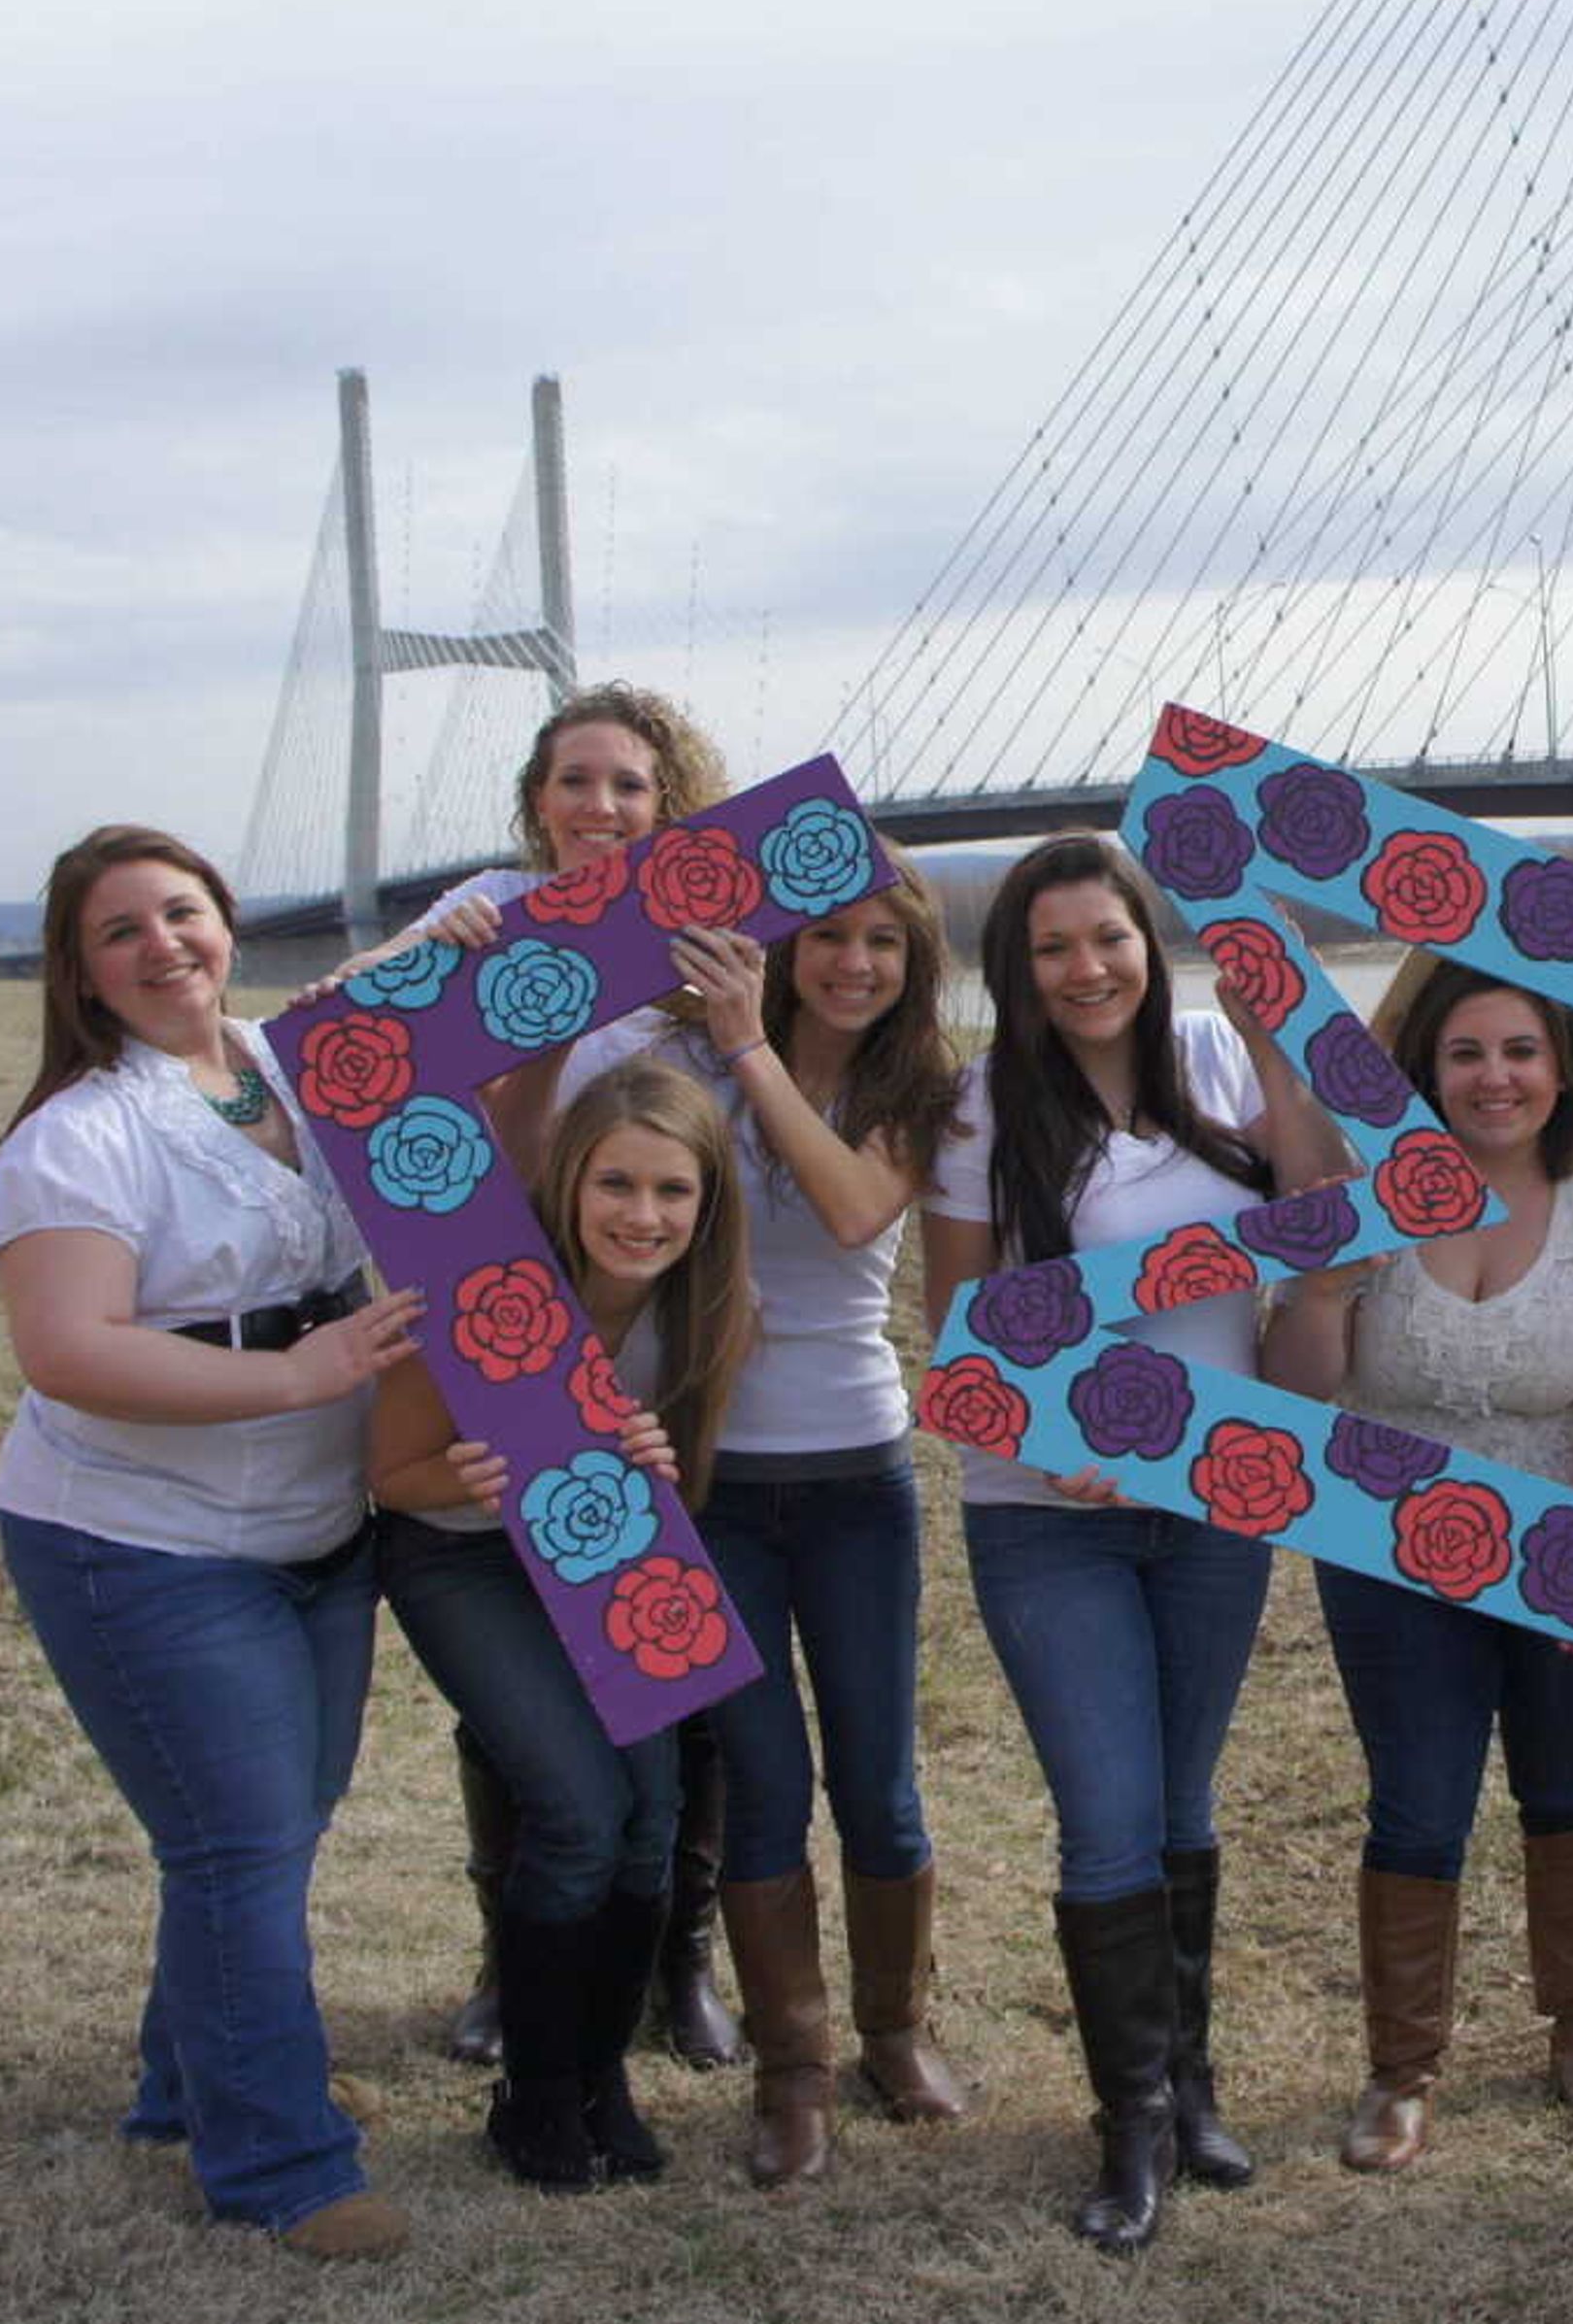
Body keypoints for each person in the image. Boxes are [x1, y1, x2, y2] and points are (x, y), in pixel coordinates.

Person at [0, 826, 423, 2261]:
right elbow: (69, 1352)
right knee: (235, 1843)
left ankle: (186, 2085)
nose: (163, 946)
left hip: (314, 1525)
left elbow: (409, 997)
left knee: (269, 1832)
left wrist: (452, 948)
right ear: (82, 973)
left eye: (183, 913)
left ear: (227, 922)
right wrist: (306, 1373)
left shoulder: (295, 1066)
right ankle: (284, 2166)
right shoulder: (77, 1139)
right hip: (141, 1540)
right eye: (123, 933)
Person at [920, 833, 1347, 2254]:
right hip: (1052, 1519)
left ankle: (1189, 2089)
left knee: (1180, 1806)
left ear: (1146, 941)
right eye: (1052, 948)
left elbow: (1317, 1215)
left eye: (1107, 938)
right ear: (1018, 970)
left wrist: (1283, 1036)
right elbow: (960, 1342)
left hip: (1216, 1505)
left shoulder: (1222, 1060)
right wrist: (1066, 1446)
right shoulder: (987, 1108)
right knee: (1108, 1814)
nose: (1086, 968)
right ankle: (1128, 2133)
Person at [329, 682, 748, 2076]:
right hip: (507, 1309)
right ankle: (514, 1972)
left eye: (630, 785)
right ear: (535, 798)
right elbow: (347, 1055)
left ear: (666, 804)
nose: (601, 809)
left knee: (662, 1678)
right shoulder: (490, 911)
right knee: (520, 1714)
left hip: (659, 1301)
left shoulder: (704, 943)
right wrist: (452, 963)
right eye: (576, 782)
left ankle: (673, 1967)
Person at [575, 862, 970, 2187]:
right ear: (783, 944)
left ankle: (893, 2032)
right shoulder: (681, 1053)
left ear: (915, 962)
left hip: (858, 1473)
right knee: (760, 1787)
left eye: (883, 944)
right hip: (712, 1480)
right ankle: (792, 2067)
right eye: (830, 938)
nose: (853, 963)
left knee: (878, 1778)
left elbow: (858, 1210)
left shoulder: (919, 1088)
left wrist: (749, 1047)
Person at [1260, 963, 1573, 2172]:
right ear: (1425, 1074)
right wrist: (1329, 1273)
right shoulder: (1370, 1194)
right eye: (1464, 1055)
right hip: (1395, 1539)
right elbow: (1294, 1386)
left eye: (1519, 1052)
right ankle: (1400, 2073)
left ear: (1564, 1071)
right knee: (1419, 1799)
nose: (1494, 1078)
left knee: (1568, 1782)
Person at [370, 1062, 755, 2192]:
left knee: (653, 1815)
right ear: (571, 1182)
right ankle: (532, 2098)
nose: (644, 1216)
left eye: (673, 1191)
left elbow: (676, 1508)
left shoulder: (714, 1308)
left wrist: (655, 1468)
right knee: (582, 1811)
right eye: (617, 1184)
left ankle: (601, 2079)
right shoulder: (478, 1288)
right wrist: (471, 1473)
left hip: (602, 1552)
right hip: (462, 1553)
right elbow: (390, 1478)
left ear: (707, 1203)